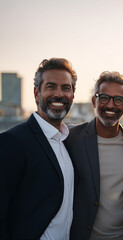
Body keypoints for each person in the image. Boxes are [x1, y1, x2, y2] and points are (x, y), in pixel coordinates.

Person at [0, 58, 77, 239]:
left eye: (66, 88)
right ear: (36, 93)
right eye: (51, 86)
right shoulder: (13, 141)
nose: (59, 94)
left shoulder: (69, 140)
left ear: (73, 95)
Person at [65, 71, 123, 240]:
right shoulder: (71, 138)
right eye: (105, 97)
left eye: (118, 99)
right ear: (94, 101)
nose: (111, 105)